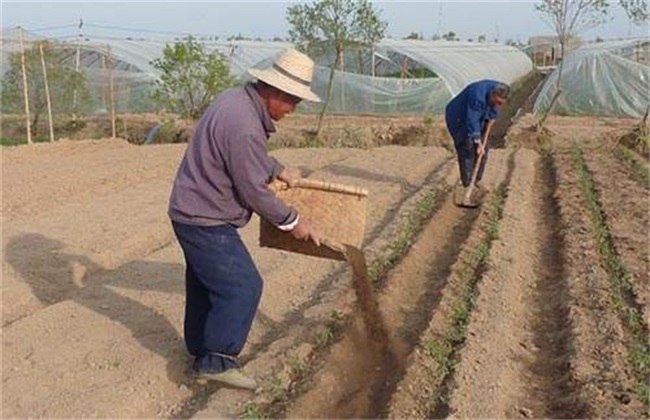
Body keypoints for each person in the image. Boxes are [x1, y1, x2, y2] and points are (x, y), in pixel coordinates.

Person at [168, 48, 322, 390]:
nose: (293, 110)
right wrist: (294, 221)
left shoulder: (234, 100)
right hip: (204, 216)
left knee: (206, 284)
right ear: (276, 92)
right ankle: (217, 359)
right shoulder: (245, 125)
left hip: (191, 209)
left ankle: (200, 350)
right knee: (242, 286)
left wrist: (279, 169)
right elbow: (254, 189)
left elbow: (245, 157)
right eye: (293, 102)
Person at [445, 79, 510, 191]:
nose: (499, 105)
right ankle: (467, 184)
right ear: (492, 94)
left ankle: (477, 180)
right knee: (467, 148)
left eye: (501, 103)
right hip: (459, 118)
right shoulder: (477, 95)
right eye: (497, 102)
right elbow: (472, 119)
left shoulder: (498, 91)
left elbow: (494, 109)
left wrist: (492, 118)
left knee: (483, 151)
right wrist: (478, 141)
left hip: (479, 116)